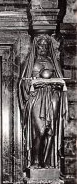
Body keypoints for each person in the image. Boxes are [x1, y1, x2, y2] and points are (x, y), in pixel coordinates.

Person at [19, 35, 68, 169]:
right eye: (41, 45)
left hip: (52, 96)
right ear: (36, 46)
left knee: (50, 131)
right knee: (39, 131)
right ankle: (35, 161)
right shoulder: (30, 62)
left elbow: (61, 81)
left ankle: (47, 162)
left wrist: (56, 85)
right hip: (37, 98)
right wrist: (32, 85)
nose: (43, 48)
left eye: (46, 45)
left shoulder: (54, 62)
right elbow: (22, 83)